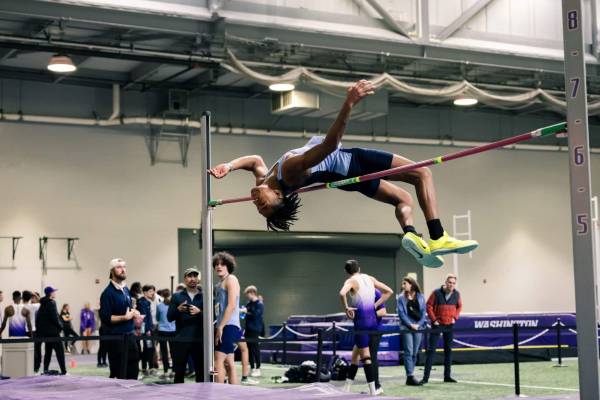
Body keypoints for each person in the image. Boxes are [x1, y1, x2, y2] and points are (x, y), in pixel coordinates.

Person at [209, 80, 478, 268]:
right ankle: (438, 236)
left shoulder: (265, 180)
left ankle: (410, 233)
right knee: (422, 173)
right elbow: (328, 146)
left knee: (403, 200)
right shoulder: (290, 172)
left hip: (344, 180)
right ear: (279, 194)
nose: (256, 200)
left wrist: (229, 167)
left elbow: (254, 161)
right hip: (352, 163)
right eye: (263, 204)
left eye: (258, 206)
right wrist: (349, 103)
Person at [339, 259, 393, 395]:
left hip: (361, 322)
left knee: (366, 356)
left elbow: (341, 293)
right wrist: (375, 306)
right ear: (359, 268)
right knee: (355, 354)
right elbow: (389, 291)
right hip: (373, 322)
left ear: (346, 272)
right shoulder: (369, 278)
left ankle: (373, 390)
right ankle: (347, 386)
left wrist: (346, 308)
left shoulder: (351, 281)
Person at [99, 258, 141, 380]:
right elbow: (106, 318)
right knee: (120, 372)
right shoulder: (107, 293)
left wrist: (134, 312)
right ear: (111, 271)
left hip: (130, 335)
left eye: (124, 266)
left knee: (133, 368)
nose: (123, 270)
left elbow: (128, 309)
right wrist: (125, 317)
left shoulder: (125, 289)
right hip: (116, 338)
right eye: (119, 267)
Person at [421, 274, 462, 384]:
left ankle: (447, 376)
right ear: (445, 282)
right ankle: (425, 378)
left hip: (449, 325)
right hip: (437, 325)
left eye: (453, 283)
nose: (451, 285)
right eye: (450, 282)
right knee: (431, 351)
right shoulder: (436, 293)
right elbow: (428, 306)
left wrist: (455, 317)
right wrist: (434, 320)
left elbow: (459, 306)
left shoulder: (457, 294)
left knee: (448, 351)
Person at [168, 267, 204, 383]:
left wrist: (200, 312)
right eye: (189, 276)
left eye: (195, 276)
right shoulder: (177, 296)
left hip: (200, 340)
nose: (192, 279)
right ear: (185, 279)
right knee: (179, 372)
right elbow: (169, 317)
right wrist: (178, 310)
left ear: (198, 279)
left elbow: (212, 318)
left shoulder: (205, 296)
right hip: (181, 339)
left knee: (201, 372)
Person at [213, 252, 242, 385]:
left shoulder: (231, 279)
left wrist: (221, 326)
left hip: (229, 326)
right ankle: (234, 394)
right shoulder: (219, 284)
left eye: (222, 264)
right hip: (223, 325)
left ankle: (217, 393)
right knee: (229, 363)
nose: (219, 266)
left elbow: (231, 305)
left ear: (228, 266)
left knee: (217, 361)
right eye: (217, 264)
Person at [397, 276, 427, 386]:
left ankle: (411, 375)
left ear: (411, 284)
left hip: (418, 327)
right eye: (403, 284)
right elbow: (401, 313)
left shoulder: (421, 297)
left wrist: (418, 325)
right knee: (408, 351)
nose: (403, 286)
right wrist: (410, 325)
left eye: (405, 283)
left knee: (414, 352)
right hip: (407, 328)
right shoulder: (401, 298)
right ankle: (410, 375)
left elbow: (423, 313)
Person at [36, 286, 67, 375]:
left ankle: (45, 370)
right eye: (53, 291)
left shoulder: (43, 303)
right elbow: (55, 318)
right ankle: (64, 371)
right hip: (54, 333)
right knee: (60, 352)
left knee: (48, 352)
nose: (55, 293)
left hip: (46, 333)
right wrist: (61, 327)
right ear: (50, 293)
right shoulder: (52, 303)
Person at [368, 288, 387, 395]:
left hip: (375, 330)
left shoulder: (376, 292)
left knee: (372, 356)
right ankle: (372, 387)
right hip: (363, 330)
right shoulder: (358, 294)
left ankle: (377, 386)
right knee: (358, 357)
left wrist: (369, 315)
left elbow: (383, 311)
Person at [243, 285, 264, 378]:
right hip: (248, 329)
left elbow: (256, 315)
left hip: (255, 329)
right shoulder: (248, 304)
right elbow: (245, 315)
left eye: (248, 294)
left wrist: (246, 312)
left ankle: (258, 368)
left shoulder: (260, 304)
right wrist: (243, 312)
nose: (247, 297)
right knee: (249, 349)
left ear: (252, 293)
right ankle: (252, 367)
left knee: (255, 348)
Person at [138, 285, 158, 376]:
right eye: (150, 291)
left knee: (148, 348)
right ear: (144, 292)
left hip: (149, 329)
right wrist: (146, 330)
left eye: (153, 291)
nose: (152, 293)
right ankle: (149, 368)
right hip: (146, 330)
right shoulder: (142, 302)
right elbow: (143, 318)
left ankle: (145, 368)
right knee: (149, 348)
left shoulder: (147, 302)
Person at [156, 289, 176, 379]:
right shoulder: (174, 306)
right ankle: (174, 370)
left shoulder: (159, 306)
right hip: (173, 330)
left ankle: (165, 371)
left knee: (164, 352)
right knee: (173, 351)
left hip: (162, 331)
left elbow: (157, 318)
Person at [22, 290, 42, 373]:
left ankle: (32, 366)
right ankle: (36, 367)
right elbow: (41, 302)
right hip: (32, 330)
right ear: (30, 298)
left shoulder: (22, 306)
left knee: (28, 349)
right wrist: (35, 295)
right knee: (36, 349)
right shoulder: (33, 306)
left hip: (24, 330)